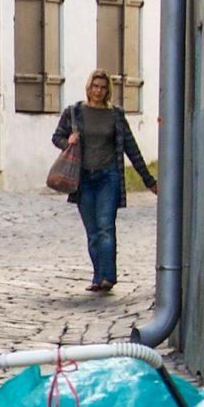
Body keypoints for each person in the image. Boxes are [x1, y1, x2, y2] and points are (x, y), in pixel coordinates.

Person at [52, 71, 157, 294]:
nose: (98, 91)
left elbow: (131, 147)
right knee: (92, 231)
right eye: (95, 86)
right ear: (88, 88)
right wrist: (67, 142)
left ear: (108, 90)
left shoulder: (115, 115)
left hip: (108, 176)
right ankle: (97, 276)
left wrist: (148, 179)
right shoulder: (75, 112)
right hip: (84, 179)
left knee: (106, 227)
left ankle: (108, 277)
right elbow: (57, 137)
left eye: (102, 87)